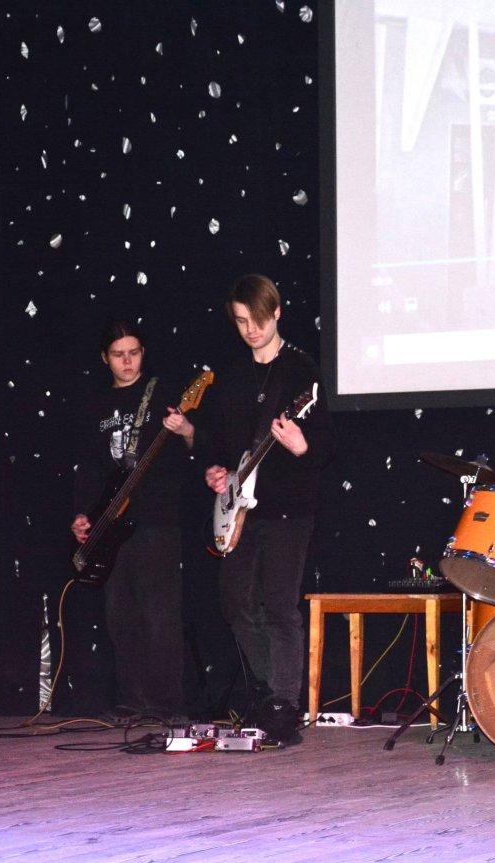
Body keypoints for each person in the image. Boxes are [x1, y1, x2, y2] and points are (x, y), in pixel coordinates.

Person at [199, 274, 334, 747]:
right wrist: (216, 471)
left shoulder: (301, 371)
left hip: (288, 509)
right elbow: (217, 443)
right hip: (240, 510)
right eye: (241, 322)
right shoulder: (233, 376)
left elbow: (327, 447)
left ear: (277, 313)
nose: (251, 330)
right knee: (236, 602)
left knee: (279, 606)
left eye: (257, 319)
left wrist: (302, 446)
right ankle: (264, 687)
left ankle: (283, 703)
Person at [71, 320, 193, 722]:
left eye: (134, 353)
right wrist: (82, 513)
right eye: (118, 354)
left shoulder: (162, 393)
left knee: (159, 613)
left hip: (156, 519)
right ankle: (133, 700)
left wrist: (186, 429)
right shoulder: (96, 404)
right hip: (111, 523)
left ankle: (167, 703)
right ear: (105, 358)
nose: (127, 361)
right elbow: (90, 467)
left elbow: (197, 446)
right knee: (119, 613)